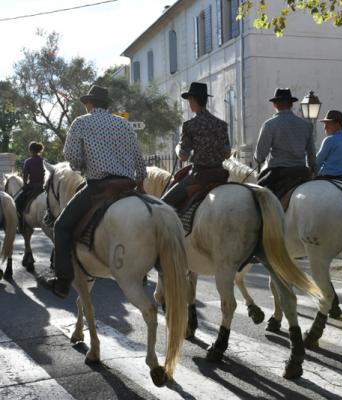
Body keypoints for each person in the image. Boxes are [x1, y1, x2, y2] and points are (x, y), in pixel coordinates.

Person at [44, 85, 147, 298]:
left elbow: (71, 155)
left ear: (89, 103)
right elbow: (139, 159)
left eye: (85, 104)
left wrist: (83, 166)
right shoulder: (124, 123)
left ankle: (63, 280)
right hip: (127, 187)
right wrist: (139, 182)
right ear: (106, 105)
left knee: (61, 226)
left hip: (99, 187)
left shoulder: (81, 123)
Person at [161, 82, 231, 207]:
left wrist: (177, 148)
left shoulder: (189, 125)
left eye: (189, 100)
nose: (189, 104)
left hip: (198, 175)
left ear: (193, 99)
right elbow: (227, 154)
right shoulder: (221, 124)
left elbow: (183, 156)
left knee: (165, 203)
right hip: (220, 174)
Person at [254, 88, 316, 196]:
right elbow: (311, 156)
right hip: (302, 171)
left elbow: (260, 156)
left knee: (257, 197)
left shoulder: (269, 125)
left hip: (278, 174)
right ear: (292, 104)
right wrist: (313, 170)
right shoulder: (306, 125)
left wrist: (258, 158)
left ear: (274, 105)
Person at [15, 141, 45, 230]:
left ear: (31, 150)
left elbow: (25, 175)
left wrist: (25, 184)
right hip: (43, 187)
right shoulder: (43, 161)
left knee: (17, 203)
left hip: (32, 187)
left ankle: (21, 225)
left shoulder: (28, 161)